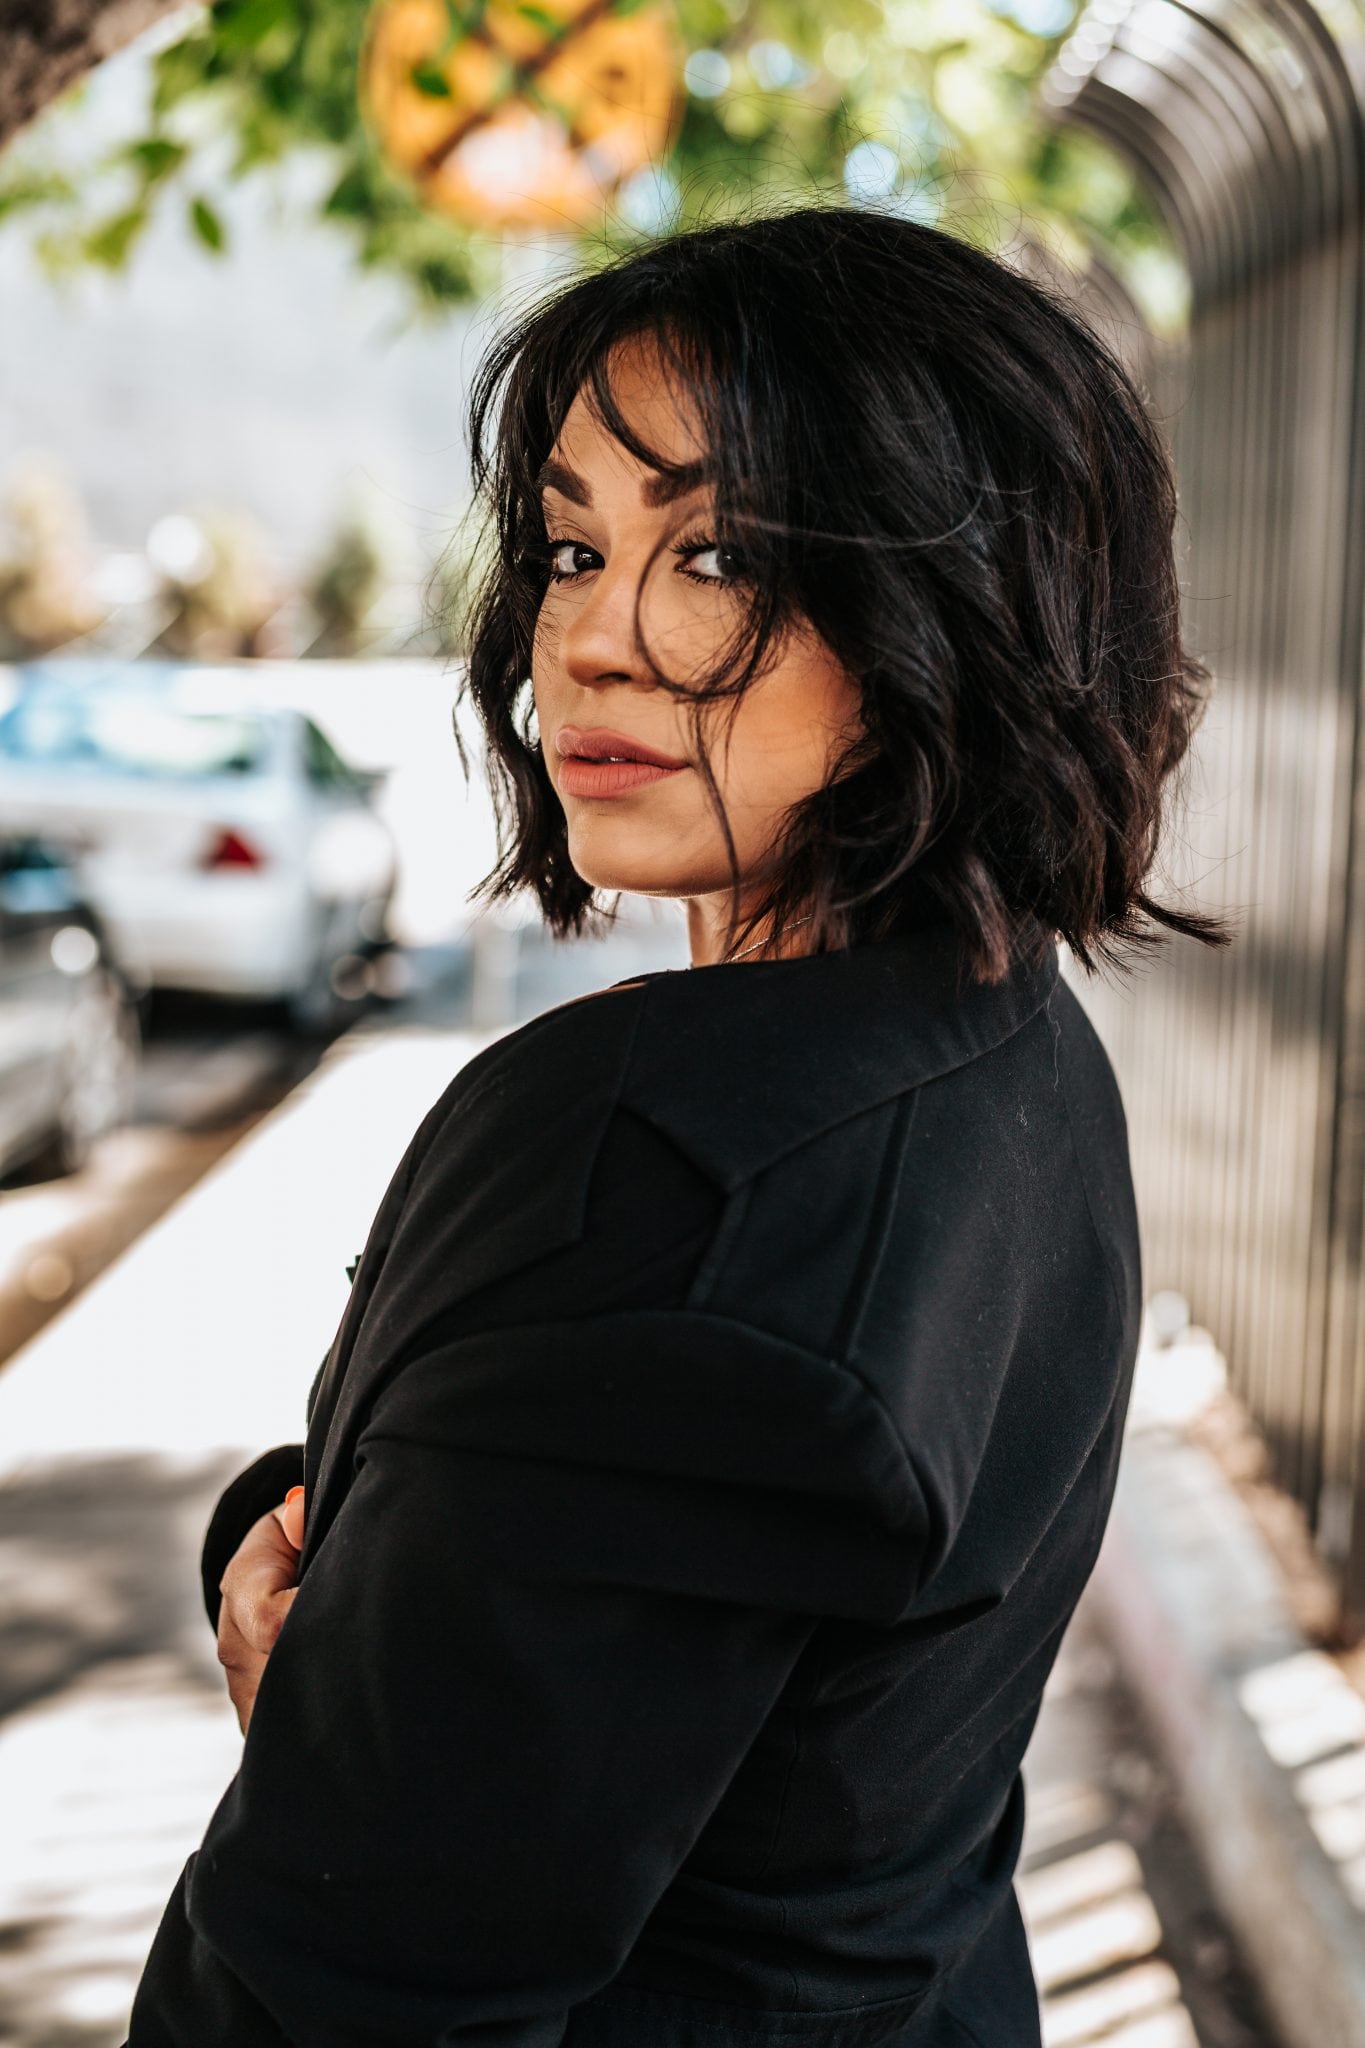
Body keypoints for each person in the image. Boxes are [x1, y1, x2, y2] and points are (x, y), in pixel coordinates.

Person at [124, 202, 1229, 2047]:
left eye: (714, 554)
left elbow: (358, 1981)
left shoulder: (671, 1164)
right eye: (571, 548)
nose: (592, 641)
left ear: (954, 604)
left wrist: (340, 1717)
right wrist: (321, 1553)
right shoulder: (1008, 1047)